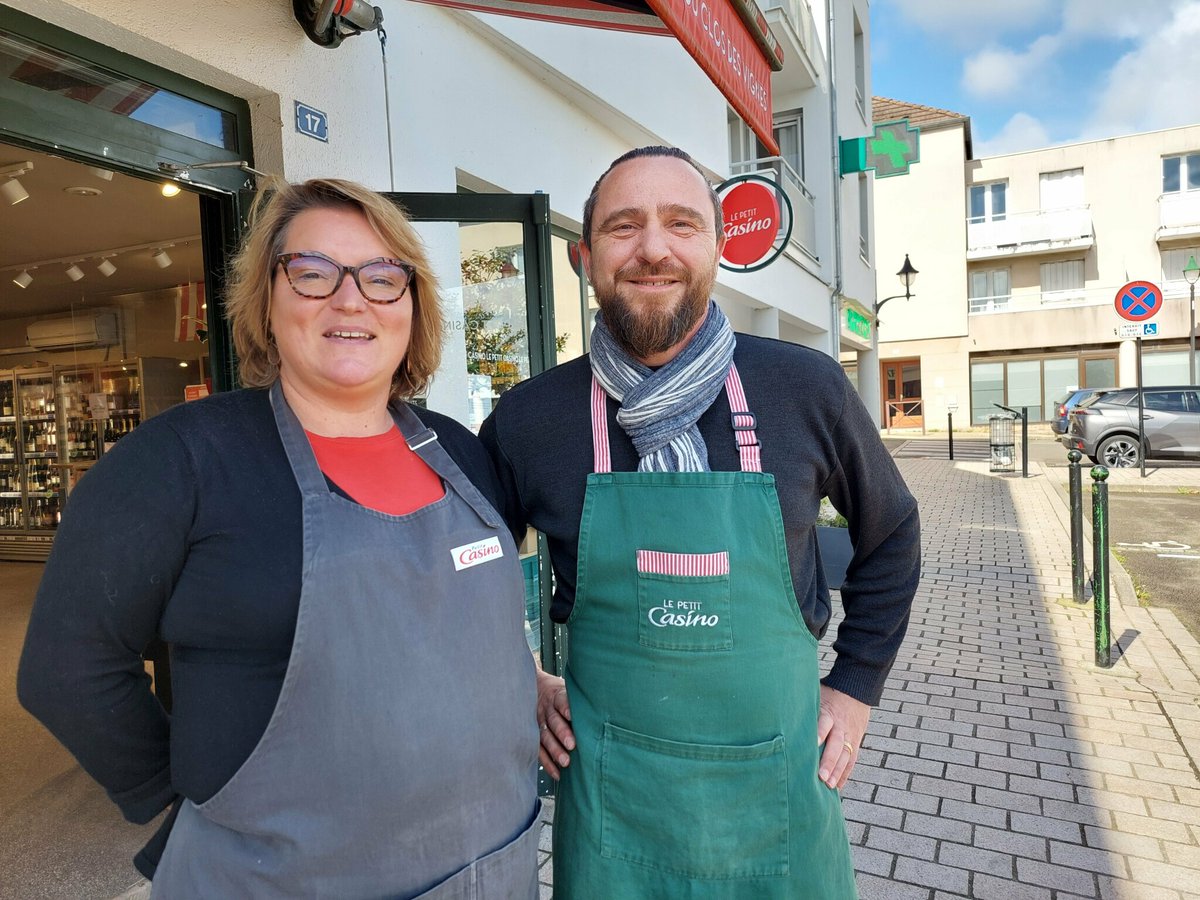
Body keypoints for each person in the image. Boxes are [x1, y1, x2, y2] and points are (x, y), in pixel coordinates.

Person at [18, 178, 541, 898]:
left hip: (491, 871)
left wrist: (523, 683)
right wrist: (182, 798)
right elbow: (65, 668)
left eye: (382, 278)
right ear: (267, 299)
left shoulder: (459, 451)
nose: (350, 300)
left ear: (412, 306)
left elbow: (465, 621)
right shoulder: (179, 462)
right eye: (313, 272)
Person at [479, 146, 921, 898]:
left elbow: (893, 534)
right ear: (586, 257)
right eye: (625, 227)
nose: (653, 248)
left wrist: (855, 685)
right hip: (614, 806)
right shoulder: (531, 420)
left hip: (779, 793)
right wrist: (524, 677)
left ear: (718, 249)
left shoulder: (804, 388)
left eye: (681, 224)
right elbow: (467, 567)